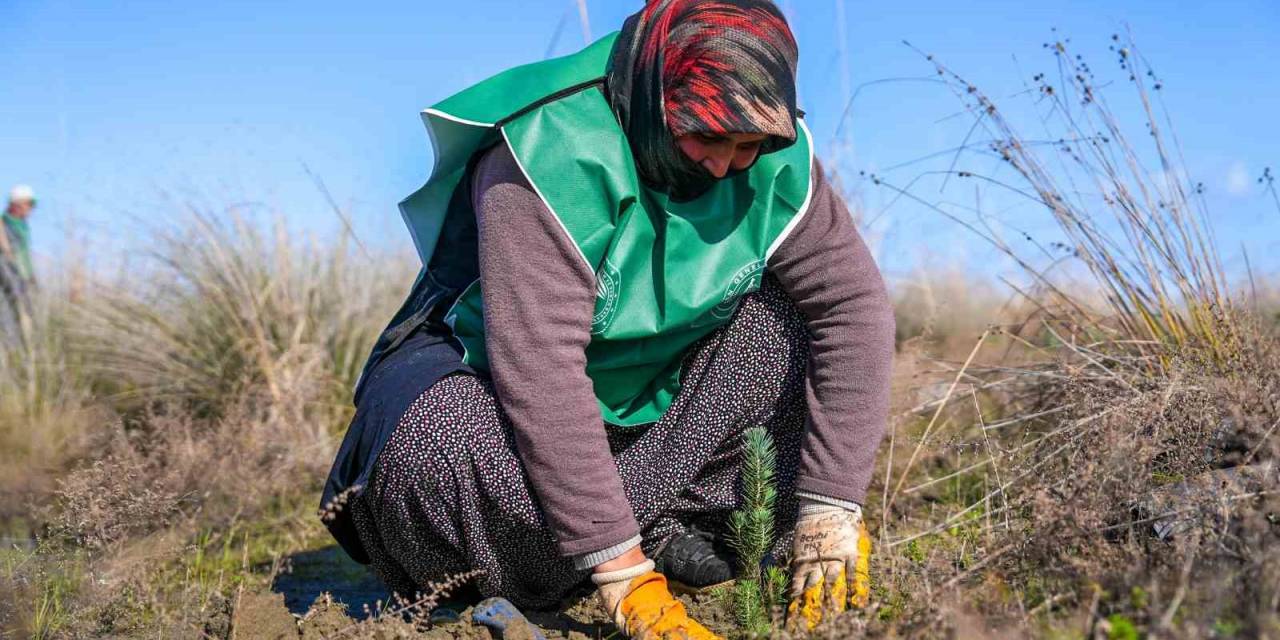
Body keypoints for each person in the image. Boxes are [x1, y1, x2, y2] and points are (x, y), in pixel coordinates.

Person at [321, 1, 894, 637]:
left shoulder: (779, 157)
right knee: (434, 437)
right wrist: (625, 580)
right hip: (495, 400)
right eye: (705, 136)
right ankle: (568, 562)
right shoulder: (549, 147)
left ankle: (659, 525)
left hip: (640, 412)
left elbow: (852, 309)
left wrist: (831, 505)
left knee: (784, 328)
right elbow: (540, 371)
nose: (725, 164)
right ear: (656, 94)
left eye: (749, 144)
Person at [0, 184, 36, 326]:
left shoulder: (22, 225)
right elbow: (6, 255)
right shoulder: (2, 223)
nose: (31, 208)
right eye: (29, 204)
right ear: (16, 204)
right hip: (9, 279)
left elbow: (24, 254)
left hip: (22, 278)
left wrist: (30, 275)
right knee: (8, 317)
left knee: (28, 317)